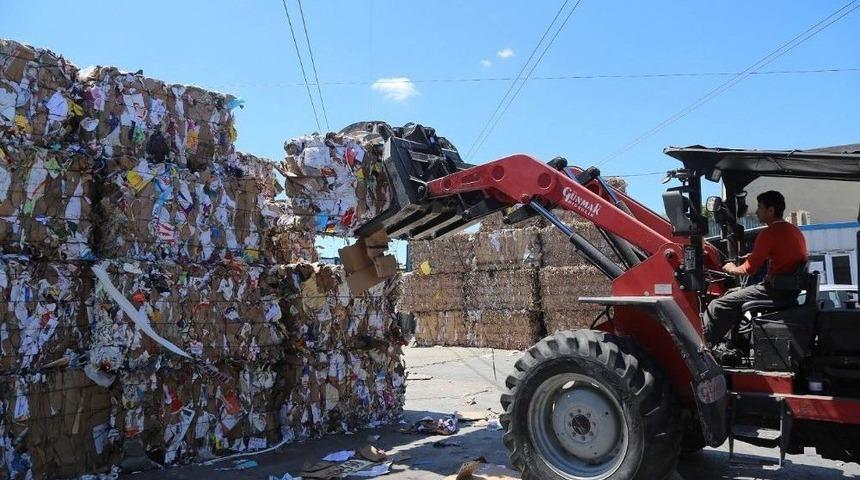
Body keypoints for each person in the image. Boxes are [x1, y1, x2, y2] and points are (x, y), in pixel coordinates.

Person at [705, 191, 809, 349]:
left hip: (774, 290)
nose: (756, 211)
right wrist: (758, 255)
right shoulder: (794, 231)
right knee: (730, 295)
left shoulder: (769, 233)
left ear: (771, 211)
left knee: (718, 304)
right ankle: (733, 343)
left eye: (760, 207)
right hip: (788, 290)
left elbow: (749, 270)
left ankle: (706, 348)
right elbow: (785, 255)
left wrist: (732, 268)